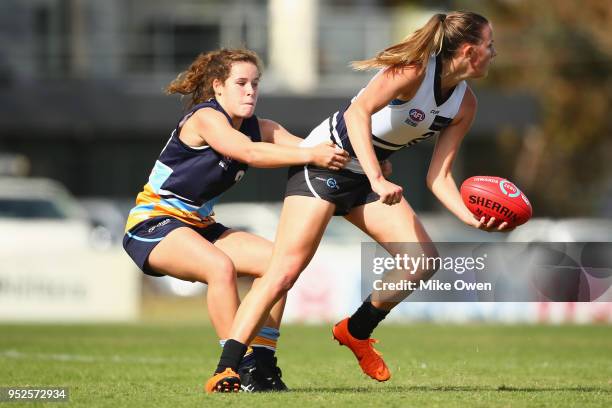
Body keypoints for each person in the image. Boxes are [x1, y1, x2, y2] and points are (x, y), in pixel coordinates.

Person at [206, 11, 513, 392]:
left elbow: (439, 177)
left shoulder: (465, 106)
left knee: (422, 260)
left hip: (366, 174)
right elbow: (356, 113)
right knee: (283, 271)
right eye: (490, 45)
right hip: (325, 163)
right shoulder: (414, 70)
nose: (494, 52)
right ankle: (228, 368)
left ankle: (355, 330)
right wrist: (377, 177)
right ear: (469, 50)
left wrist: (472, 218)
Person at [122, 48, 349, 392]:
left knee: (279, 265)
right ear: (217, 87)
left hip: (199, 224)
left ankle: (263, 365)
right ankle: (236, 368)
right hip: (154, 223)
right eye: (240, 83)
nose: (250, 91)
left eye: (255, 84)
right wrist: (311, 154)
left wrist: (365, 164)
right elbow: (248, 153)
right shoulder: (205, 119)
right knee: (220, 268)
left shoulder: (263, 127)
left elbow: (314, 149)